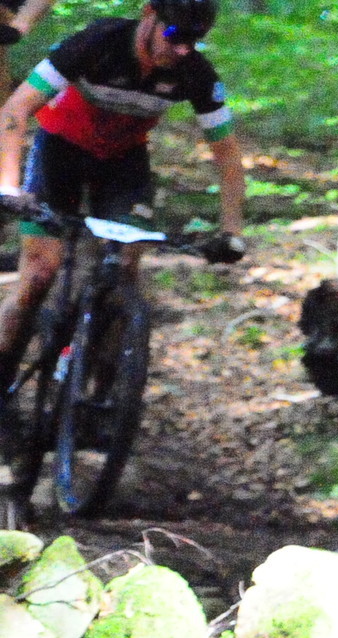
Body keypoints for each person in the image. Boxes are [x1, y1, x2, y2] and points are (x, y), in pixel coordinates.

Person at [0, 0, 245, 394]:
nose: (181, 49)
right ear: (149, 13)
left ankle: (104, 398)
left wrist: (232, 231)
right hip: (59, 151)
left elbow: (227, 153)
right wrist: (8, 186)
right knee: (39, 273)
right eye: (173, 35)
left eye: (194, 40)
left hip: (122, 163)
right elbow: (16, 108)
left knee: (124, 271)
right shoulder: (98, 42)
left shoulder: (194, 72)